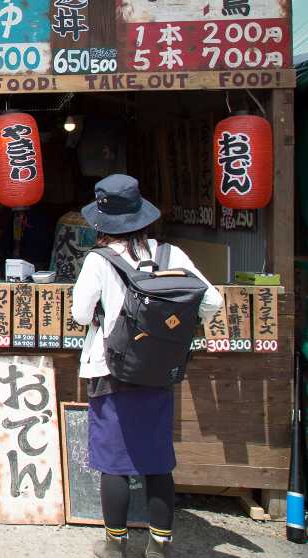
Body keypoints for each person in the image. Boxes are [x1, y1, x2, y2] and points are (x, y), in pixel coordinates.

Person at [71, 175, 222, 558]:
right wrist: (174, 328)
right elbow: (211, 301)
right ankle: (159, 544)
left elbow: (79, 313)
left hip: (110, 369)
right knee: (157, 460)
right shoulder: (171, 255)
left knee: (113, 463)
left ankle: (115, 543)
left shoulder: (99, 260)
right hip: (158, 371)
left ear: (103, 222)